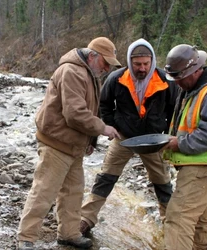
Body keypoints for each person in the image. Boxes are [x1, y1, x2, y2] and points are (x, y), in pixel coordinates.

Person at [17, 37, 122, 250]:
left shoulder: (90, 73)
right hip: (56, 143)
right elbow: (75, 113)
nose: (107, 68)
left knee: (73, 191)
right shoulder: (71, 72)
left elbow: (91, 109)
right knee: (44, 191)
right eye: (105, 63)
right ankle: (26, 238)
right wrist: (103, 128)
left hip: (73, 145)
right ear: (93, 56)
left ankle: (68, 234)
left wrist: (90, 141)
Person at [80, 38, 179, 235]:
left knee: (162, 183)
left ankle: (171, 225)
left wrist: (168, 134)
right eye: (137, 64)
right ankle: (86, 219)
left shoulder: (165, 80)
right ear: (129, 62)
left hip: (153, 140)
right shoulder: (116, 78)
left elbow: (174, 109)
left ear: (152, 61)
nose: (142, 68)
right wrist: (112, 126)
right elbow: (104, 104)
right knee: (106, 177)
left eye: (145, 64)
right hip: (123, 138)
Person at [162, 44, 207, 250]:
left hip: (204, 164)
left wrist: (180, 143)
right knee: (201, 218)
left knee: (178, 217)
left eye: (179, 78)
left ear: (194, 72)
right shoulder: (194, 89)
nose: (176, 82)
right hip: (202, 162)